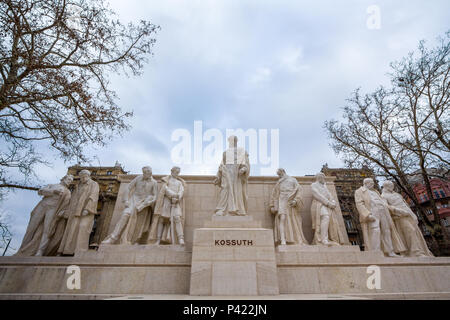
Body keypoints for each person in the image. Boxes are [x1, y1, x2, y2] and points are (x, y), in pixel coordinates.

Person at [15, 175, 73, 256]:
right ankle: (22, 249)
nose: (70, 181)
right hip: (42, 206)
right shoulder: (52, 185)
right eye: (69, 179)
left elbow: (66, 204)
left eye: (71, 180)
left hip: (53, 209)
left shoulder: (68, 192)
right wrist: (53, 191)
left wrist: (62, 212)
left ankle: (40, 251)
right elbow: (40, 191)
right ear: (63, 179)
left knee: (48, 230)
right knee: (31, 228)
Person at [102, 166, 158, 245]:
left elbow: (155, 196)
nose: (149, 174)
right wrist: (126, 200)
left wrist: (147, 203)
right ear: (143, 173)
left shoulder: (154, 182)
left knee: (139, 222)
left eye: (150, 172)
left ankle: (134, 240)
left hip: (144, 203)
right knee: (126, 214)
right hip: (134, 199)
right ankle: (113, 238)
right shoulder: (138, 178)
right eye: (147, 173)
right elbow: (128, 188)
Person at [355, 178, 405, 257]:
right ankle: (376, 251)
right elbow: (359, 204)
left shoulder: (375, 192)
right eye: (371, 183)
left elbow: (383, 202)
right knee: (375, 231)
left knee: (387, 231)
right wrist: (367, 214)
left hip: (383, 212)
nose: (373, 184)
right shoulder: (359, 191)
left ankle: (390, 251)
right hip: (372, 212)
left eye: (373, 183)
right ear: (366, 183)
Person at [382, 181, 433, 257]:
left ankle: (421, 251)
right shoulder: (383, 196)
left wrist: (413, 215)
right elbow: (386, 207)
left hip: (408, 215)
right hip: (399, 217)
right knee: (410, 231)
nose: (392, 187)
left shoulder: (397, 194)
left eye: (392, 185)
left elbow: (406, 205)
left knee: (416, 233)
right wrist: (398, 211)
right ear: (386, 186)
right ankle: (416, 252)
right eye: (390, 185)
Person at [58, 170, 99, 255]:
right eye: (81, 177)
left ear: (88, 176)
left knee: (83, 227)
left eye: (84, 177)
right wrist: (68, 210)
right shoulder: (78, 186)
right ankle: (67, 250)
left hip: (86, 210)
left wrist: (87, 209)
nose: (83, 179)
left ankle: (80, 250)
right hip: (75, 210)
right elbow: (73, 199)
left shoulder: (94, 184)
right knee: (71, 229)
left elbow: (93, 196)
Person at [148, 167, 186, 246]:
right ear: (172, 171)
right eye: (175, 172)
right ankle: (158, 239)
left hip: (175, 203)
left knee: (177, 218)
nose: (177, 173)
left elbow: (181, 191)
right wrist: (173, 195)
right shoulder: (165, 180)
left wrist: (177, 197)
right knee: (162, 220)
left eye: (178, 172)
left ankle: (180, 239)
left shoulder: (179, 182)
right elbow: (165, 189)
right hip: (166, 202)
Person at [270, 168, 308, 246]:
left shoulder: (292, 179)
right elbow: (274, 195)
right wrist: (273, 205)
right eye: (278, 175)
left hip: (291, 200)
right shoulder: (278, 183)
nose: (279, 176)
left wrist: (296, 200)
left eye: (280, 174)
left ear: (283, 172)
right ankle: (283, 240)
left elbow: (299, 190)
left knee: (293, 219)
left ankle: (296, 239)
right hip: (282, 200)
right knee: (282, 218)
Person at [214, 136, 250, 216]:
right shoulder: (226, 152)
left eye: (233, 140)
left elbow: (246, 164)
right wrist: (218, 176)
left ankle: (237, 210)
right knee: (225, 190)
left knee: (237, 191)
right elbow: (222, 165)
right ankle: (222, 209)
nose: (231, 142)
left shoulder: (241, 151)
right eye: (230, 140)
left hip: (236, 174)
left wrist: (244, 169)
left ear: (236, 141)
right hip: (226, 174)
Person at [310, 173, 349, 246]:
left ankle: (327, 238)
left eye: (323, 177)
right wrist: (328, 203)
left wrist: (333, 202)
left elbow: (330, 196)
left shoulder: (324, 186)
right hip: (319, 205)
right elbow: (317, 195)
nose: (323, 178)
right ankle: (323, 239)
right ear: (318, 178)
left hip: (327, 206)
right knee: (325, 217)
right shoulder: (314, 185)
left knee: (330, 221)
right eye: (321, 177)